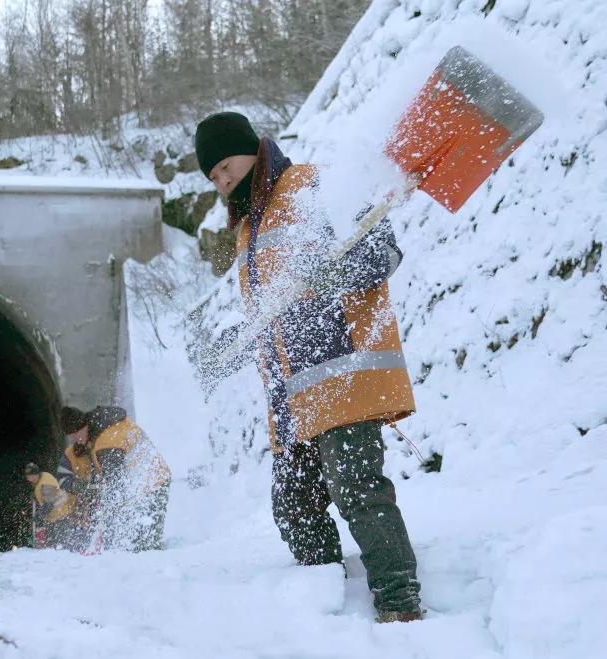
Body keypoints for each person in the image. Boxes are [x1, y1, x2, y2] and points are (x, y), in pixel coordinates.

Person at [194, 111, 423, 623]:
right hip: (291, 397)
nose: (222, 181)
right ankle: (325, 608)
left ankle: (400, 605)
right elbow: (272, 317)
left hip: (344, 375)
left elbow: (382, 253)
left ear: (253, 149)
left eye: (225, 166)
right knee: (295, 508)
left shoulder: (316, 185)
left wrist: (330, 273)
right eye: (212, 177)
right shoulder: (249, 226)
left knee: (359, 494)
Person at [60, 406, 170, 552]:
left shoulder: (106, 443)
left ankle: (156, 567)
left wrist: (105, 516)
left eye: (75, 434)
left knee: (145, 546)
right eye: (71, 436)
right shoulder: (105, 427)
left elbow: (116, 487)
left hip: (151, 485)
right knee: (135, 541)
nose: (75, 440)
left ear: (84, 426)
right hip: (147, 482)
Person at [56, 422, 98, 552]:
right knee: (78, 530)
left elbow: (109, 472)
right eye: (75, 435)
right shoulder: (69, 454)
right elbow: (62, 478)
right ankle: (78, 551)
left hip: (98, 501)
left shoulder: (99, 449)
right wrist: (80, 487)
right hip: (78, 504)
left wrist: (96, 487)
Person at [24, 462, 77, 550]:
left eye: (33, 476)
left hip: (60, 516)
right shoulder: (42, 479)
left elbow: (48, 504)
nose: (31, 479)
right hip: (56, 516)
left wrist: (37, 515)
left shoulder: (45, 483)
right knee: (56, 546)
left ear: (38, 474)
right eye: (29, 477)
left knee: (60, 546)